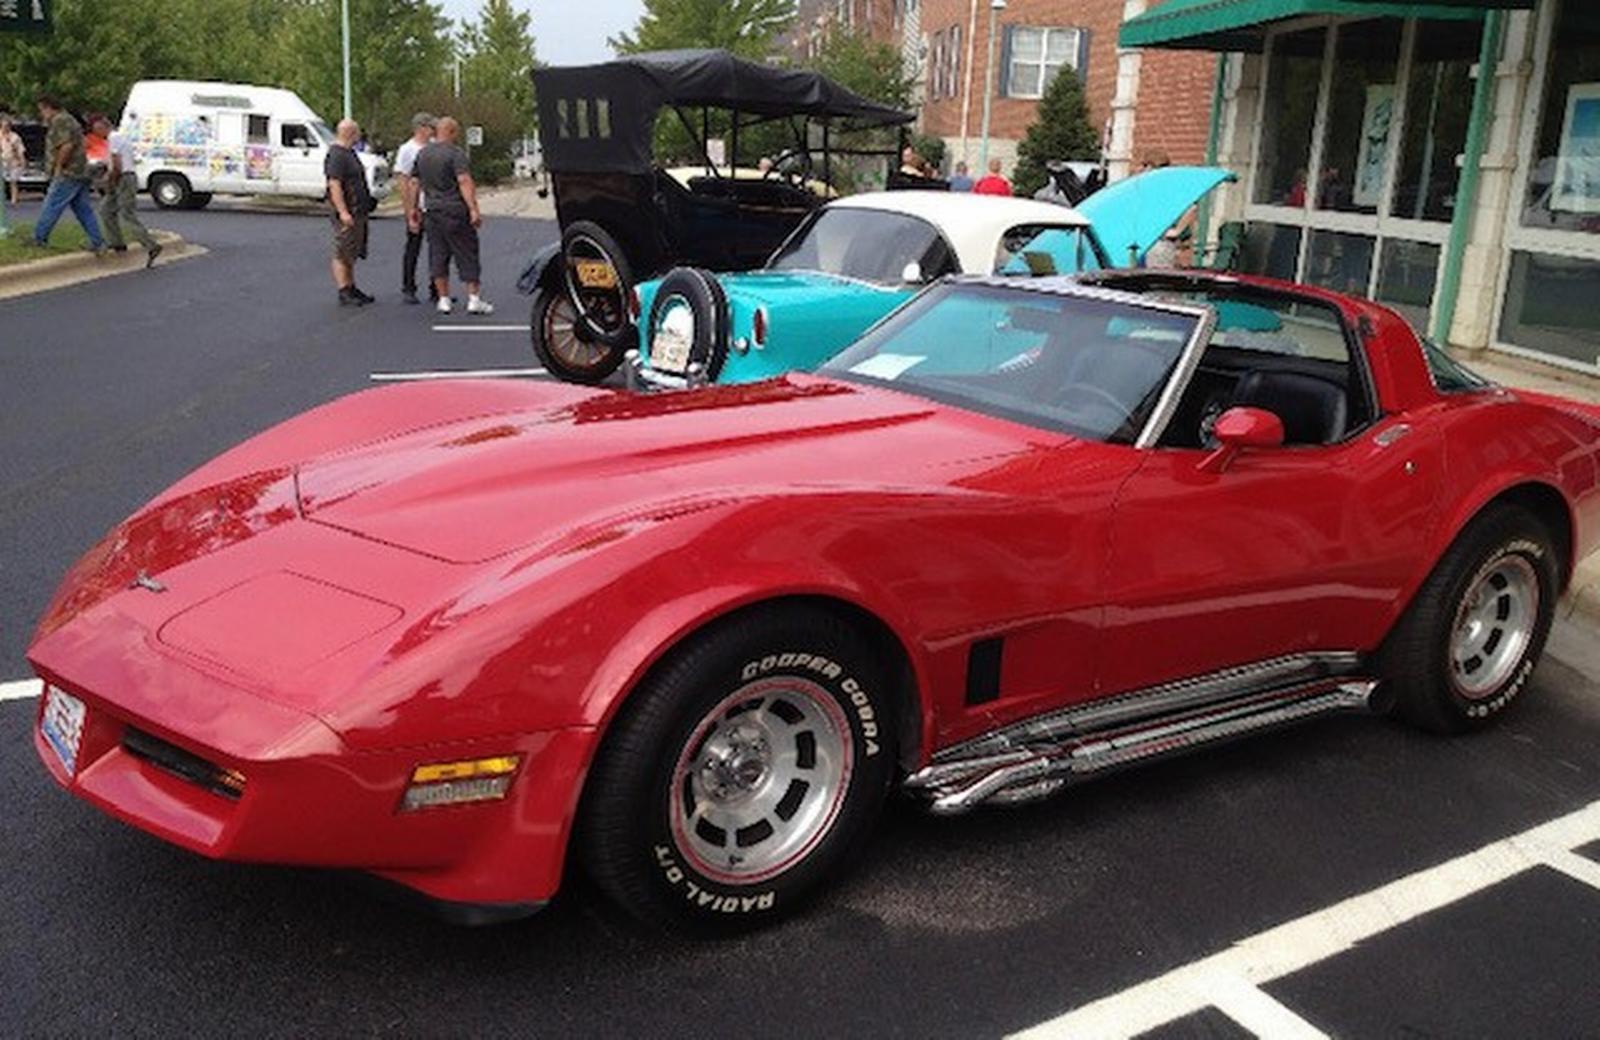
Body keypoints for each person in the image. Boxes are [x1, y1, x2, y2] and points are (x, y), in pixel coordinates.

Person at [416, 116, 492, 315]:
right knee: (466, 251)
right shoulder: (456, 154)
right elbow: (464, 180)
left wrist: (413, 209)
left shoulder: (423, 154)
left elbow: (414, 182)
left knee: (438, 253)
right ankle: (474, 298)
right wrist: (473, 208)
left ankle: (443, 299)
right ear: (450, 132)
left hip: (432, 210)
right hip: (455, 209)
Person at [32, 95, 105, 253]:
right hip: (80, 172)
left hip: (68, 172)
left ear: (48, 107)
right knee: (83, 209)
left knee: (51, 205)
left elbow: (67, 146)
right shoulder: (70, 119)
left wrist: (58, 166)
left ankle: (39, 238)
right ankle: (97, 241)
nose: (42, 114)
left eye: (41, 110)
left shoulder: (60, 120)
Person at [94, 114, 161, 267]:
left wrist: (110, 180)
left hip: (123, 178)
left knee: (127, 214)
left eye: (97, 130)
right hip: (121, 177)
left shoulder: (114, 138)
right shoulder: (118, 138)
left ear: (103, 126)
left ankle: (150, 245)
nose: (97, 134)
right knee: (106, 210)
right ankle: (116, 242)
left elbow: (117, 164)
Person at [325, 117, 375, 306]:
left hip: (358, 210)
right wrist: (343, 212)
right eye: (357, 132)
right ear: (350, 133)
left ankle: (351, 286)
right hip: (347, 210)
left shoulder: (349, 153)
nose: (359, 136)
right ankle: (343, 289)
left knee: (352, 251)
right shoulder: (337, 154)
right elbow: (334, 184)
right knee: (342, 250)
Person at [394, 111, 436, 304]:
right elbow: (403, 180)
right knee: (413, 247)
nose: (433, 131)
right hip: (417, 205)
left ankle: (436, 287)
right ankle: (408, 287)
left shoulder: (435, 147)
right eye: (430, 127)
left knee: (437, 248)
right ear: (420, 128)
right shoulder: (407, 150)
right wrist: (409, 209)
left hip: (434, 205)